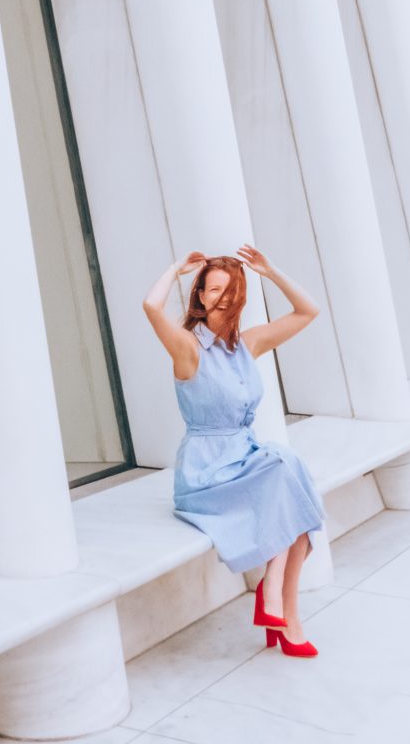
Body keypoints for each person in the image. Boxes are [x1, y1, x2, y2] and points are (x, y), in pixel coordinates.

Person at [142, 244, 327, 657]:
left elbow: (308, 310)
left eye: (229, 291)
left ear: (239, 296)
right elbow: (151, 307)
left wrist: (271, 270)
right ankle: (276, 601)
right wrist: (176, 269)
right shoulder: (188, 347)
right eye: (212, 290)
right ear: (200, 297)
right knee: (287, 473)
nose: (221, 299)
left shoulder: (246, 345)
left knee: (287, 471)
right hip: (207, 473)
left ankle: (279, 601)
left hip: (245, 459)